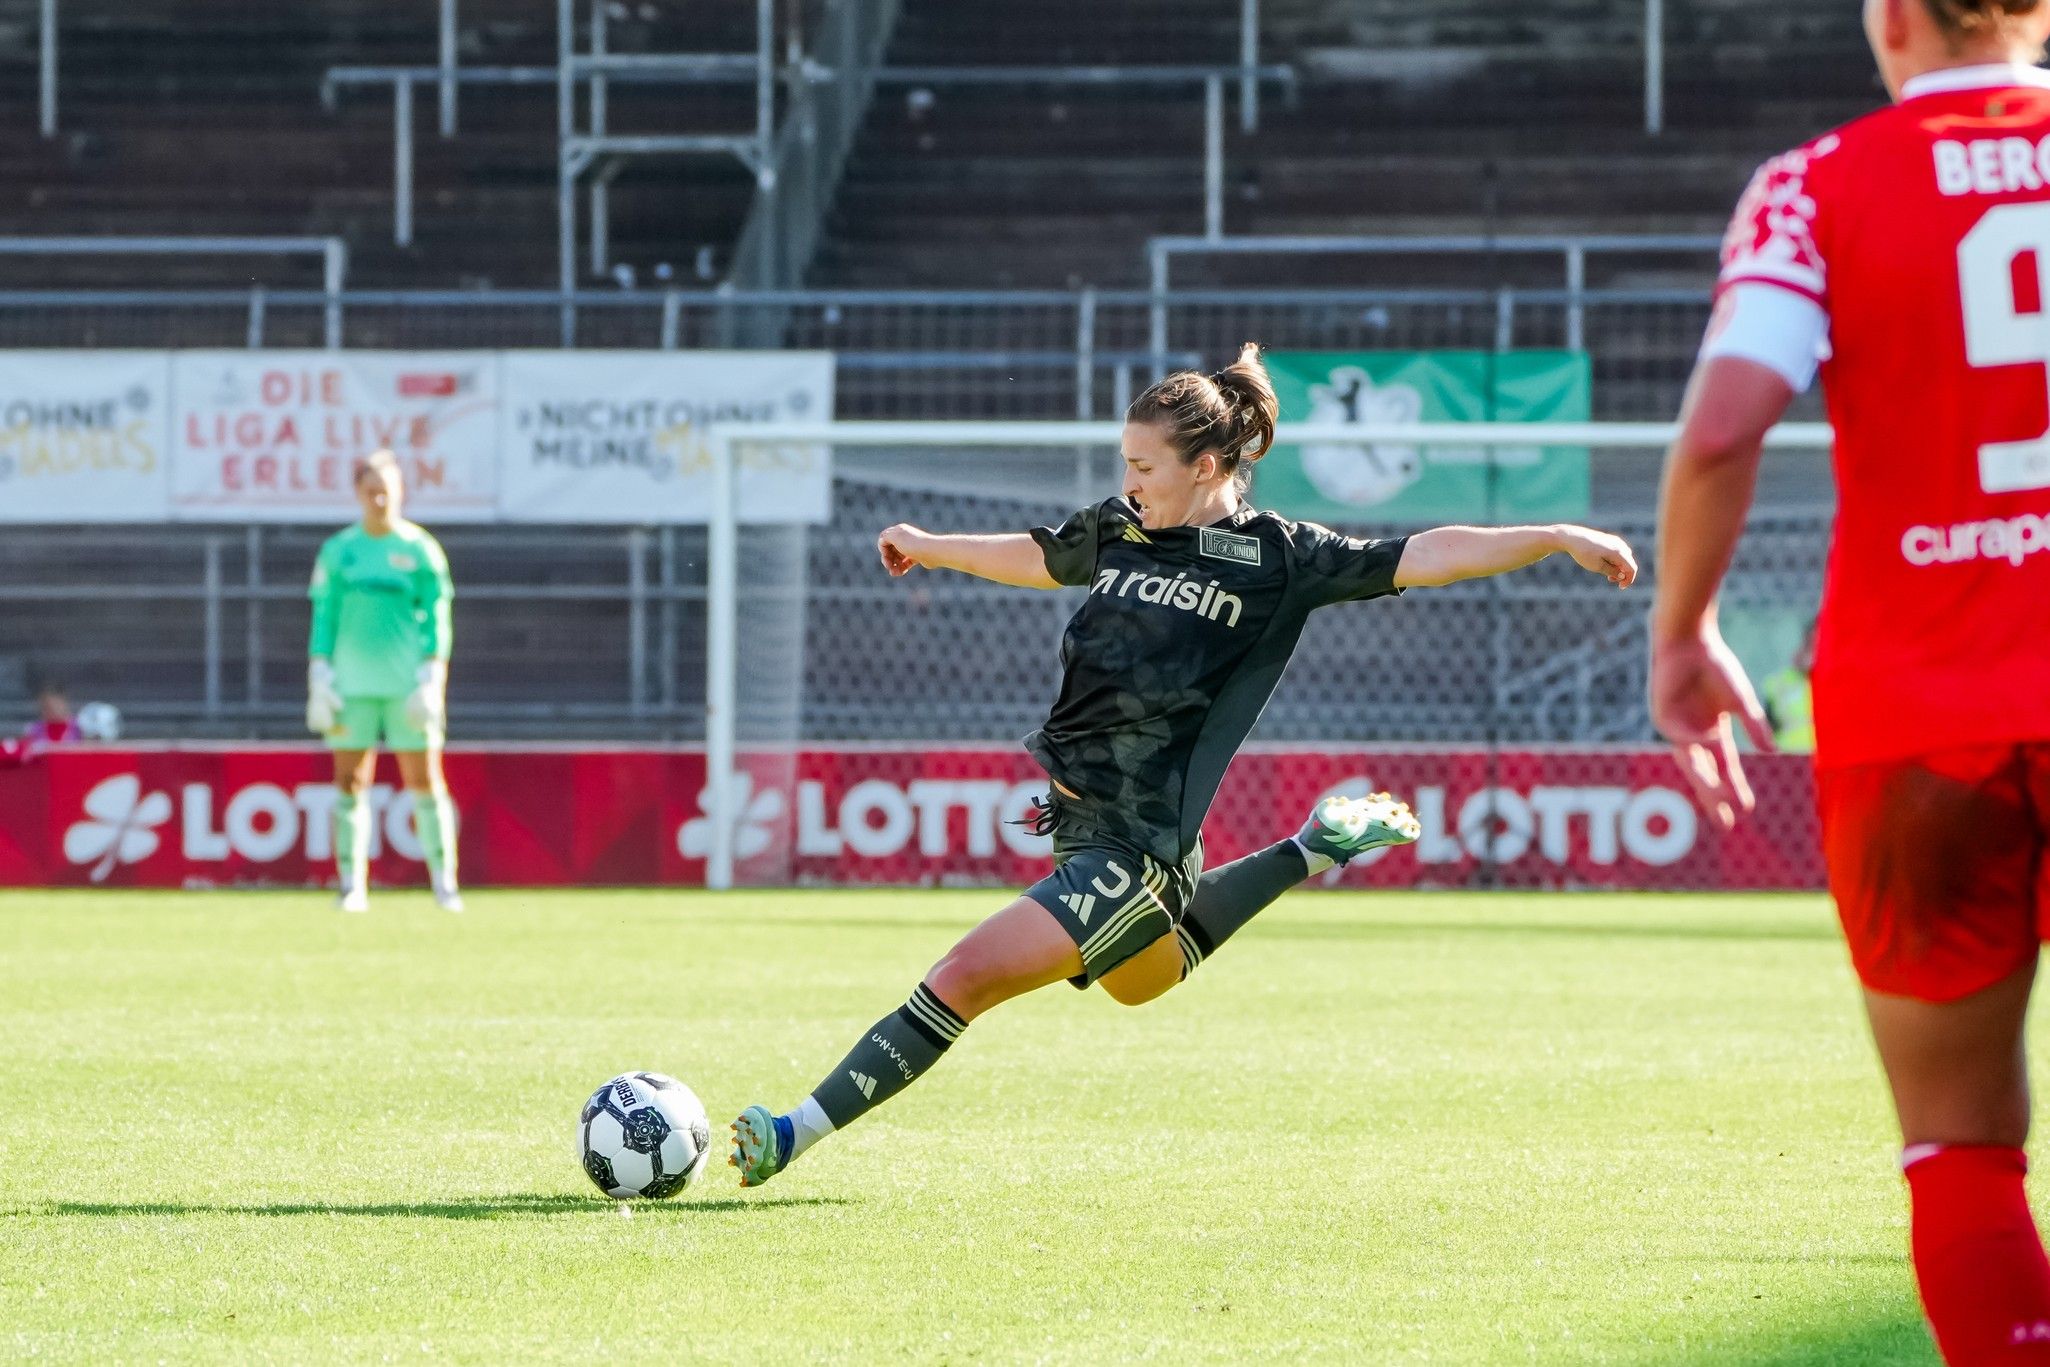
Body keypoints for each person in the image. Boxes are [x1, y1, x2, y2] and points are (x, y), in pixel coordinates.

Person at [729, 342, 1639, 1187]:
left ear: (1206, 467)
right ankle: (1311, 849)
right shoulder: (1120, 530)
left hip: (1137, 845)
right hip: (1083, 827)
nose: (1128, 482)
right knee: (1141, 982)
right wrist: (932, 547)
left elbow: (1423, 554)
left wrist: (1555, 532)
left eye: (1143, 466)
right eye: (1125, 463)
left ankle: (792, 1130)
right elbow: (1042, 557)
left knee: (962, 977)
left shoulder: (1280, 558)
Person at [1649, 3, 2050, 1359]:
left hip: (1914, 713)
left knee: (1959, 1145)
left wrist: (1682, 629)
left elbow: (1721, 426)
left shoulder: (1811, 188)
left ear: (1889, 18)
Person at [306, 450, 462, 914]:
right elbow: (324, 614)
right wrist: (319, 671)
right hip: (351, 685)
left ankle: (444, 883)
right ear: (357, 492)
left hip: (406, 686)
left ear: (400, 492)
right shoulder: (339, 551)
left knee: (424, 780)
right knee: (350, 781)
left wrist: (434, 674)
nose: (378, 498)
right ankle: (352, 884)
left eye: (386, 489)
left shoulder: (419, 549)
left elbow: (438, 615)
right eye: (370, 489)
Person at [1762, 617, 1818, 754]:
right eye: (1810, 644)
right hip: (1787, 760)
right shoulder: (1779, 684)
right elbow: (1767, 729)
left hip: (1830, 763)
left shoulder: (1845, 683)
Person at [0, 684, 76, 769]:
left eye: (55, 705)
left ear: (64, 703)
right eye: (46, 706)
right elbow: (24, 753)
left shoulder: (78, 728)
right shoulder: (34, 730)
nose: (52, 709)